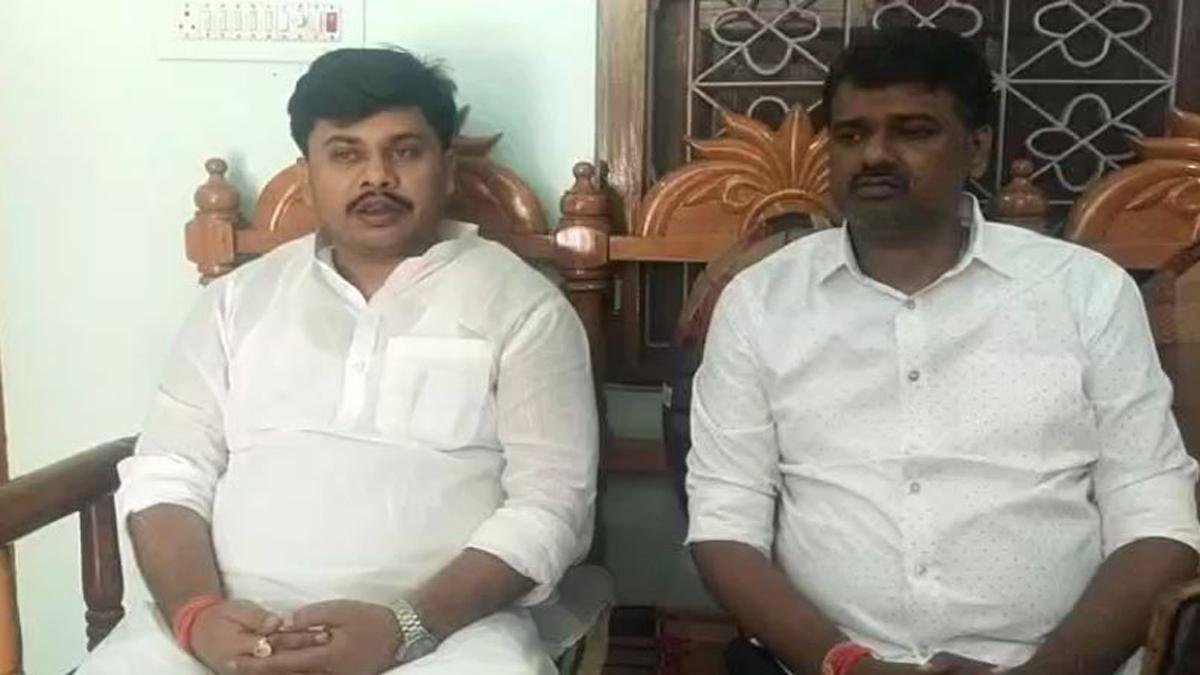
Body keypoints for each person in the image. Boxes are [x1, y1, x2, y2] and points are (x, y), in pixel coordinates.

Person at [685, 27, 1200, 675]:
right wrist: (850, 666)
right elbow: (724, 526)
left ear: (977, 148)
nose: (874, 155)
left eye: (913, 131)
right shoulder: (760, 301)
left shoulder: (1084, 291)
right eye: (851, 135)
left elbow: (1157, 521)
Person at [77, 47, 597, 675]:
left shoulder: (522, 307)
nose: (377, 177)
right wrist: (198, 617)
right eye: (346, 154)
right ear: (307, 175)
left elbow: (551, 504)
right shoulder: (236, 302)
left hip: (444, 635)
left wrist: (404, 626)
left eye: (404, 151)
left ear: (447, 168)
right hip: (229, 624)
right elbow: (169, 472)